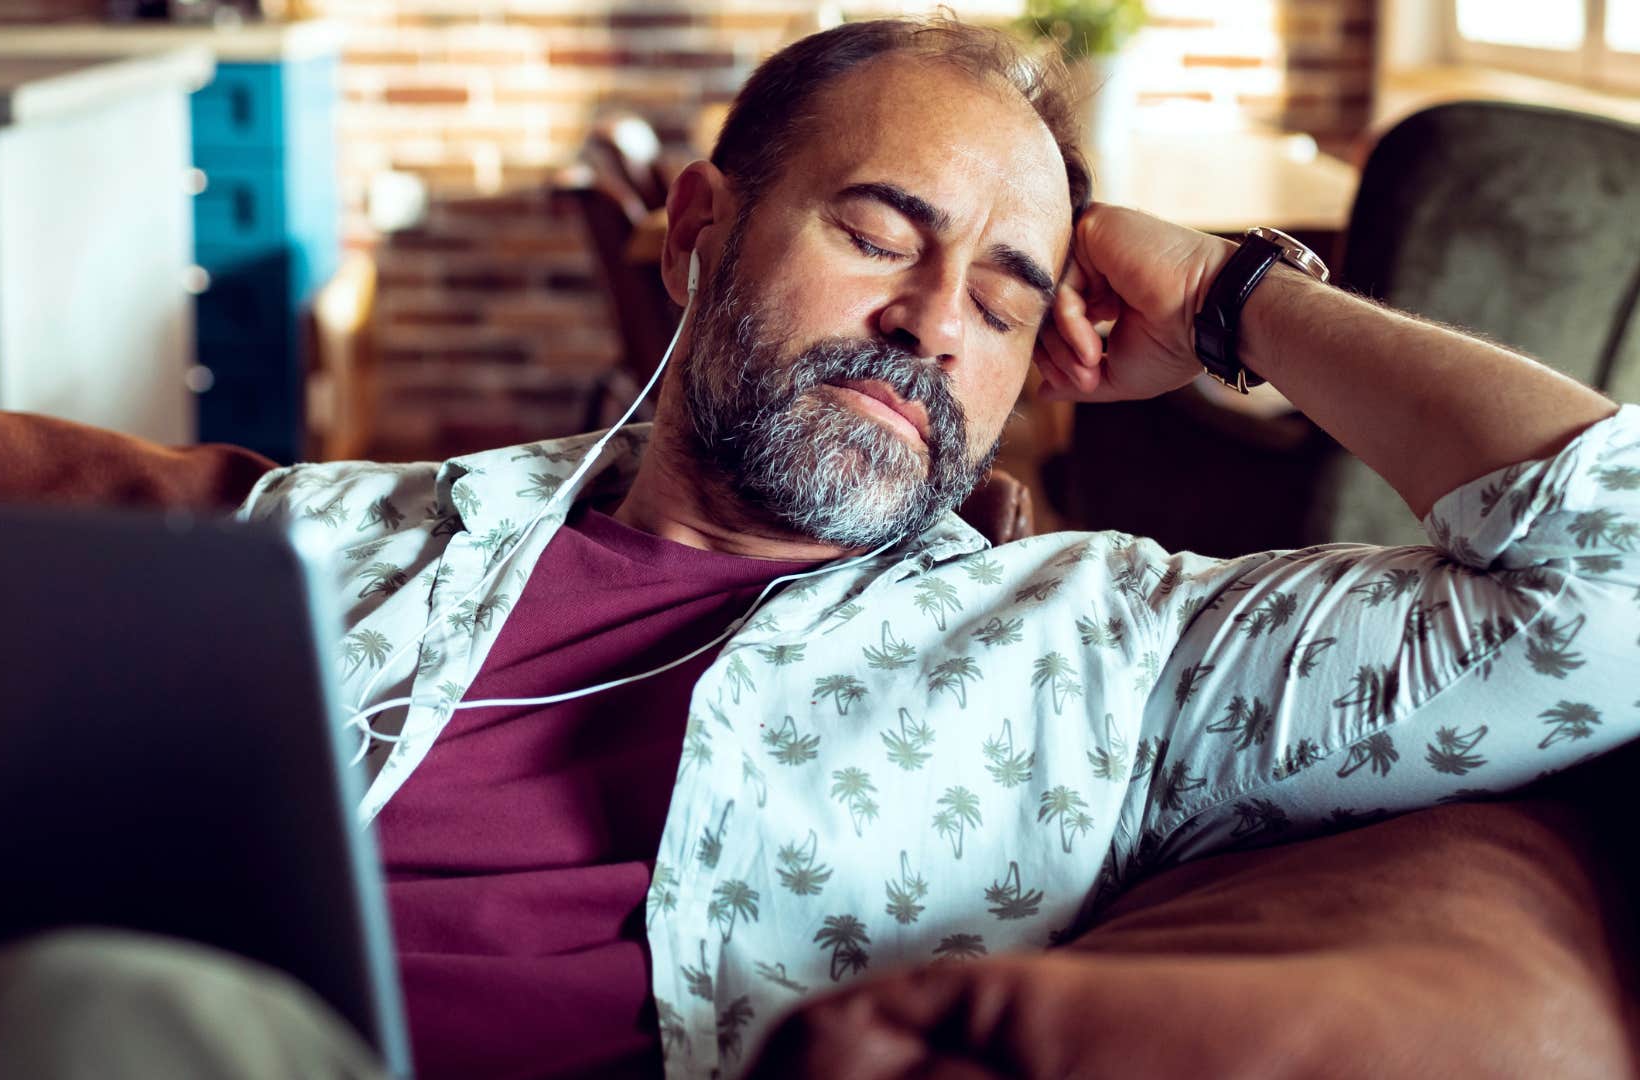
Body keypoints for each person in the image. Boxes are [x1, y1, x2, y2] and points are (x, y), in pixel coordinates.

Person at [236, 14, 1640, 1078]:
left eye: (1008, 303)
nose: (933, 322)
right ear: (698, 234)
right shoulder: (326, 539)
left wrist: (1233, 295)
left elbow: (1614, 581)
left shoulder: (1105, 651)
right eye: (874, 235)